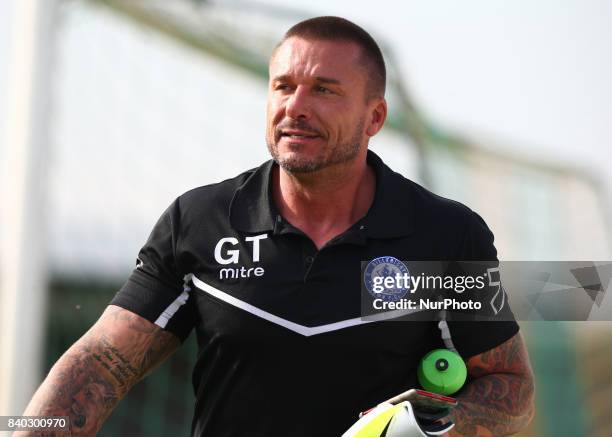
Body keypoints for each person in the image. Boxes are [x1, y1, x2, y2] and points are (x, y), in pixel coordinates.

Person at [19, 16, 534, 437]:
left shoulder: (446, 235)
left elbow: (510, 389)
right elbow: (102, 361)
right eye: (283, 86)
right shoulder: (198, 222)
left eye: (325, 90)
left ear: (374, 117)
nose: (295, 108)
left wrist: (430, 429)